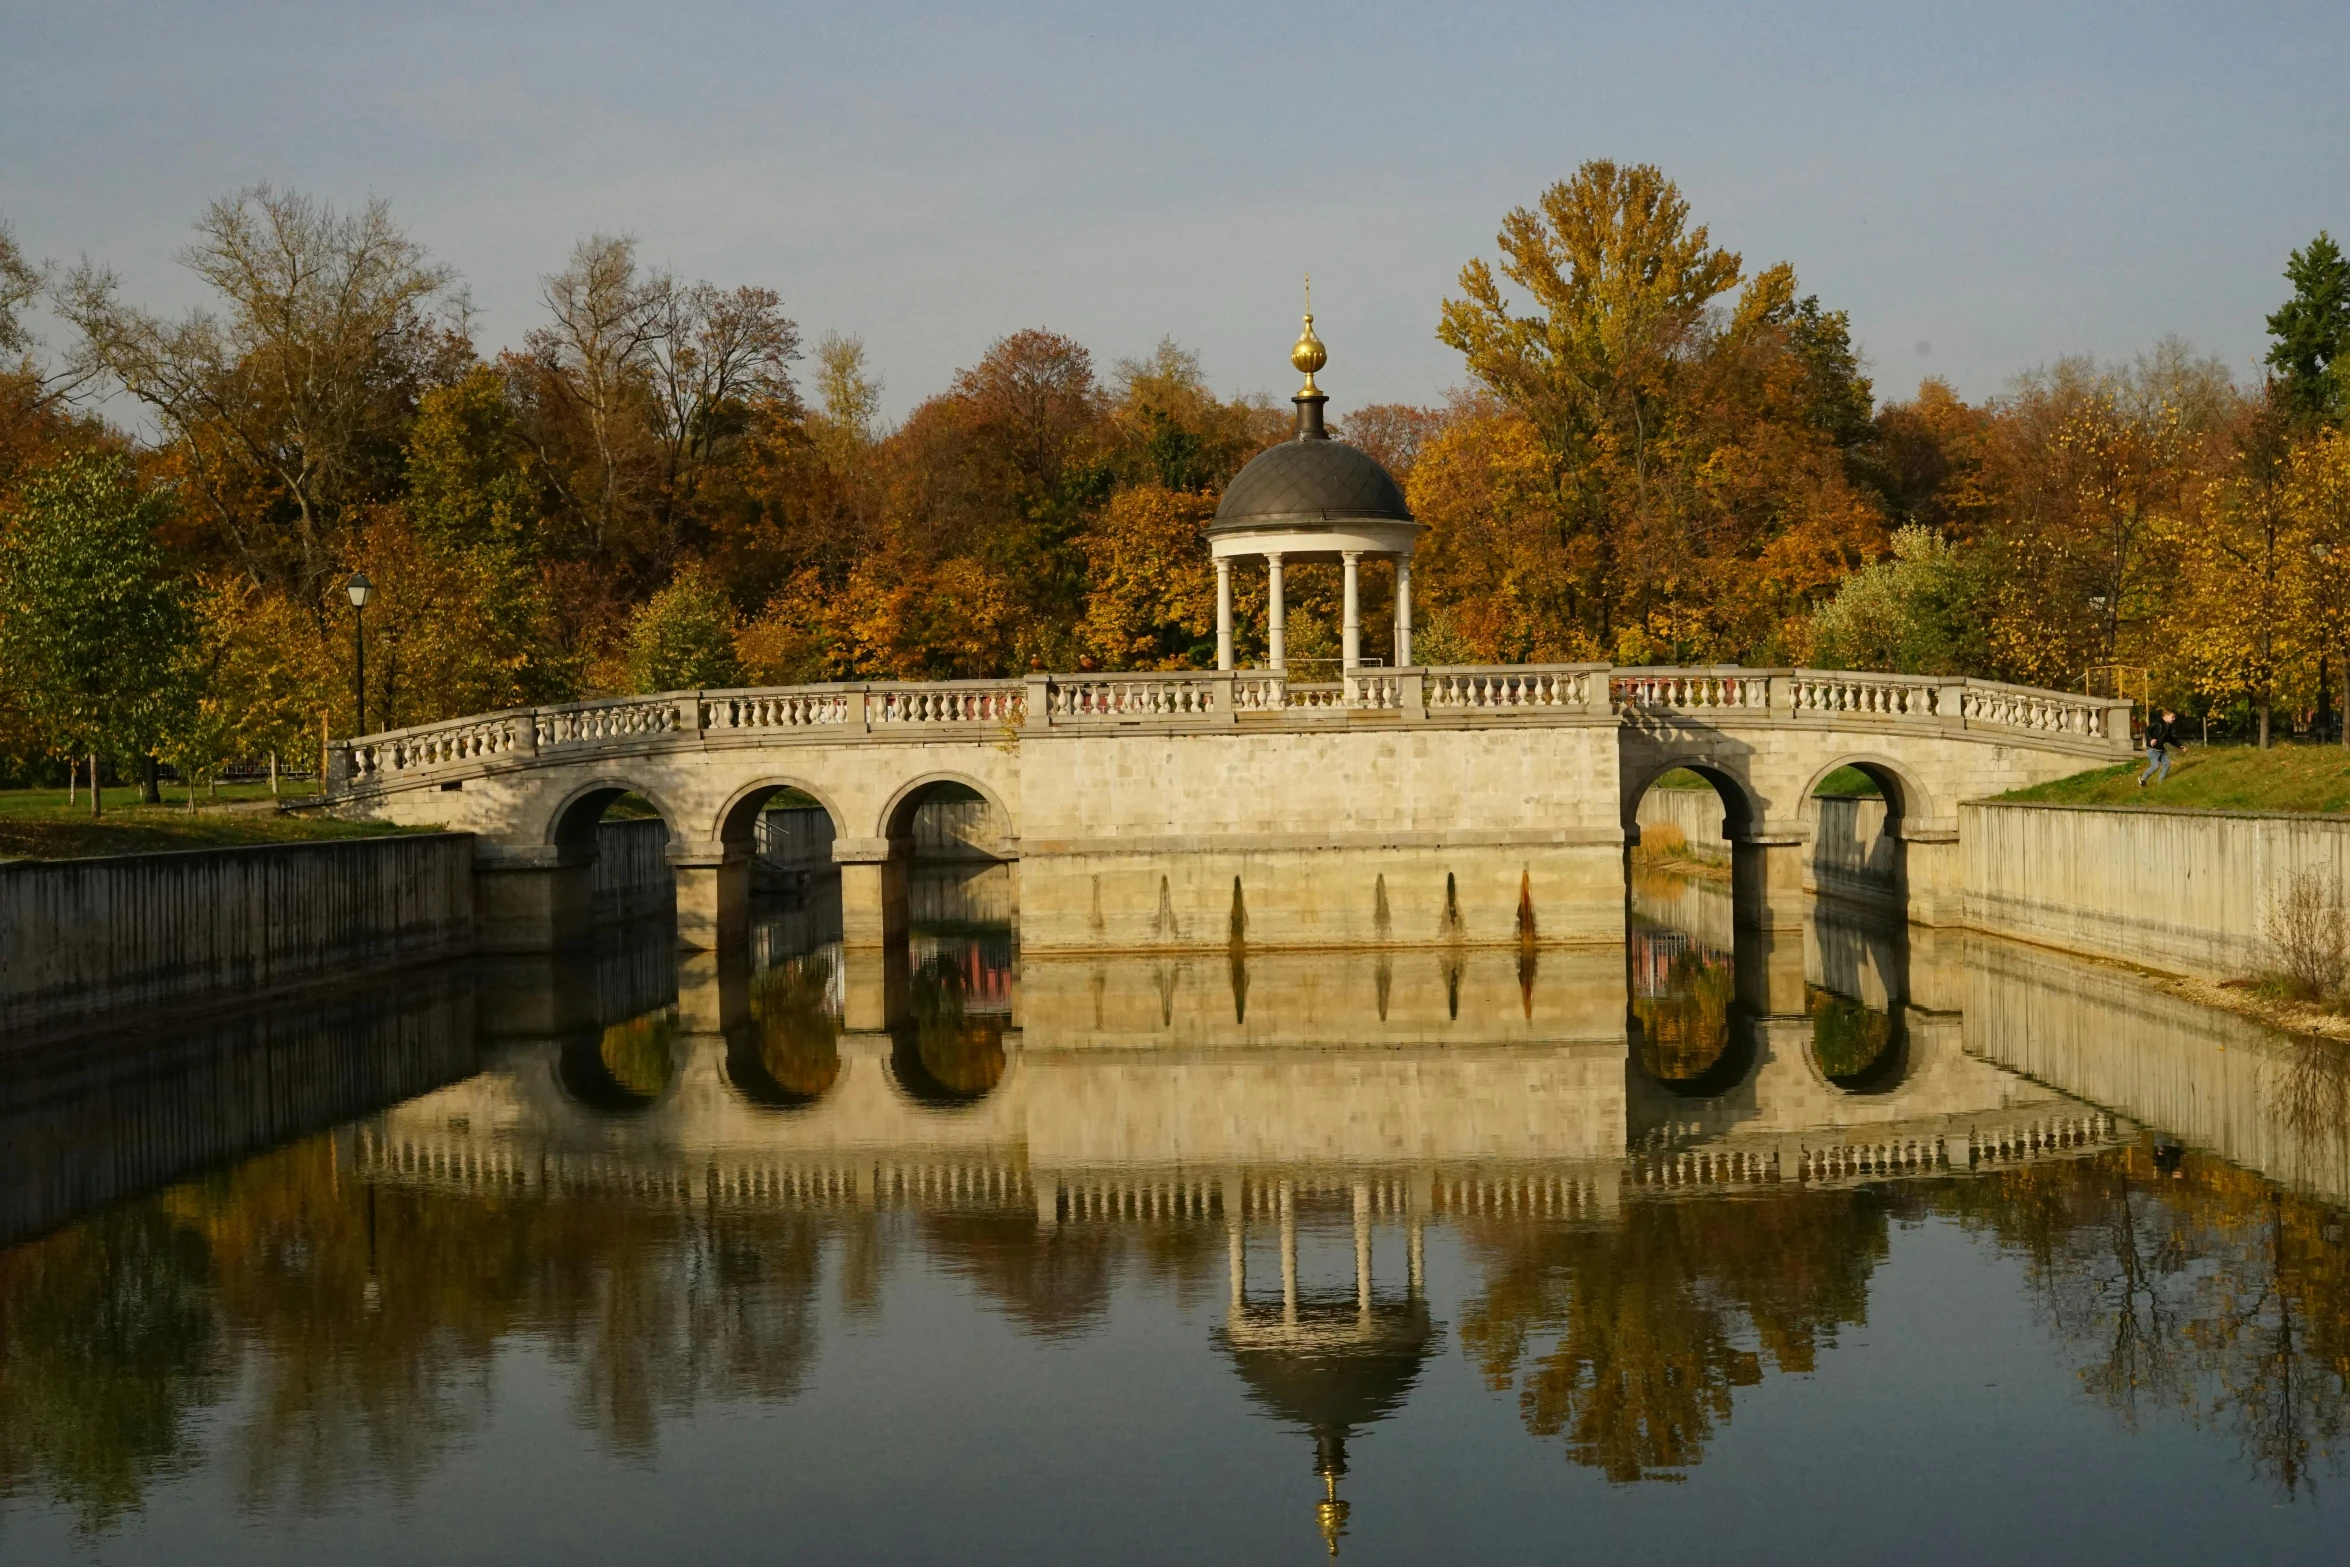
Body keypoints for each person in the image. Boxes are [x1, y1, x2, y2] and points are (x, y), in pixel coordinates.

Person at [2138, 707, 2178, 787]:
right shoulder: (2157, 723)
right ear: (2166, 716)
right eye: (2172, 717)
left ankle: (2161, 783)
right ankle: (2142, 778)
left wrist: (2180, 746)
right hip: (2152, 750)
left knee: (2167, 764)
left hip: (2161, 749)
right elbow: (2147, 730)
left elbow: (2170, 738)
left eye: (2174, 717)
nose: (2174, 719)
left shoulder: (2168, 726)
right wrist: (2151, 739)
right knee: (2155, 766)